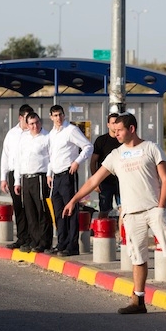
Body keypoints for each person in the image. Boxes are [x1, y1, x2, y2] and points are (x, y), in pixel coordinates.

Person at [62, 112, 166, 314]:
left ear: (131, 129)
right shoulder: (116, 155)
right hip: (131, 214)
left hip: (154, 209)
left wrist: (161, 206)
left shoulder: (151, 148)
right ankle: (138, 300)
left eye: (119, 130)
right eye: (114, 131)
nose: (115, 134)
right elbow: (93, 181)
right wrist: (74, 199)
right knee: (138, 257)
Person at [46, 105, 93, 257]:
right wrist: (49, 173)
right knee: (58, 211)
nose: (58, 118)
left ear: (64, 115)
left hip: (68, 173)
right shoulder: (52, 133)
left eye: (60, 115)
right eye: (55, 115)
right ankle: (61, 243)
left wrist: (77, 161)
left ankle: (72, 246)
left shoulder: (71, 130)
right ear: (51, 117)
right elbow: (51, 156)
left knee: (71, 209)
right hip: (56, 176)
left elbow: (87, 146)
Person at [14, 112, 53, 253]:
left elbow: (51, 159)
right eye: (31, 123)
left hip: (40, 177)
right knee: (29, 210)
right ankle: (33, 240)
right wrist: (17, 181)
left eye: (37, 122)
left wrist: (49, 174)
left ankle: (44, 241)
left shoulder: (47, 137)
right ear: (27, 124)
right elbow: (18, 160)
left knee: (42, 210)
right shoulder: (23, 138)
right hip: (26, 177)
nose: (35, 126)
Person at [1, 104, 34, 250]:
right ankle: (22, 238)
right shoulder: (12, 134)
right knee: (18, 207)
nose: (29, 122)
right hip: (13, 174)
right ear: (20, 117)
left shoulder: (33, 134)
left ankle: (32, 239)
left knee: (29, 207)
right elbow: (5, 156)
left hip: (27, 174)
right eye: (26, 118)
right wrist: (3, 177)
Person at [90, 113, 122, 219]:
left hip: (121, 181)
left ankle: (122, 234)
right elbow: (93, 161)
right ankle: (101, 233)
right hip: (105, 182)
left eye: (117, 123)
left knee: (124, 210)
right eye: (113, 123)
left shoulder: (122, 140)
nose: (115, 126)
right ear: (108, 125)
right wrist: (95, 182)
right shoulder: (101, 141)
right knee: (104, 211)